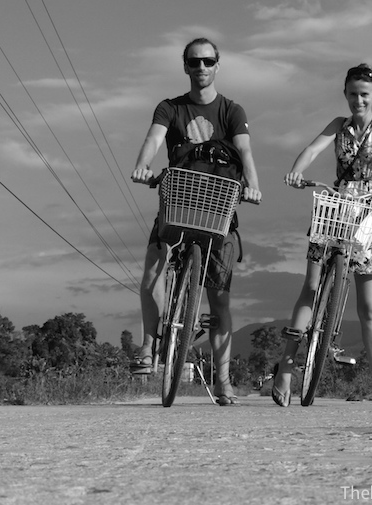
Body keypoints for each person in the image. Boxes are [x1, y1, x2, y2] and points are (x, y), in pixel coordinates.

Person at [272, 63, 372, 407]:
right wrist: (296, 171)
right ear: (345, 94)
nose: (358, 101)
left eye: (364, 95)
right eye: (353, 94)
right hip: (334, 212)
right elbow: (311, 150)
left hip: (370, 219)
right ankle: (286, 368)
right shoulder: (338, 126)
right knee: (309, 288)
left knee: (369, 307)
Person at [131, 38, 262, 406]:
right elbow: (153, 139)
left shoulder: (231, 110)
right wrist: (143, 165)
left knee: (219, 299)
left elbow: (246, 150)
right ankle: (149, 344)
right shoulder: (170, 108)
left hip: (218, 207)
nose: (201, 67)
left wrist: (253, 185)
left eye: (207, 61)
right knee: (152, 271)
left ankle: (223, 381)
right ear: (185, 67)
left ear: (218, 65)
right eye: (194, 62)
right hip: (179, 200)